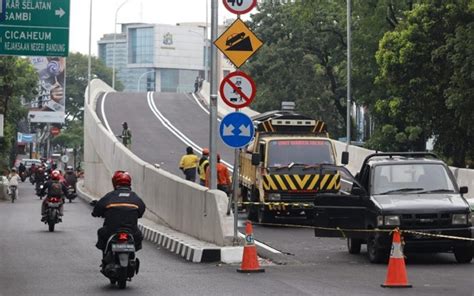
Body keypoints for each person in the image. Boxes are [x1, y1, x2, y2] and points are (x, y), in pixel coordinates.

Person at [91, 171, 146, 252]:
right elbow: (141, 210)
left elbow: (97, 209)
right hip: (131, 231)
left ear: (114, 182)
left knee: (101, 232)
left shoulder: (109, 196)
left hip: (111, 230)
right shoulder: (135, 197)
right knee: (139, 236)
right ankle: (133, 256)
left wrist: (96, 213)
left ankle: (105, 258)